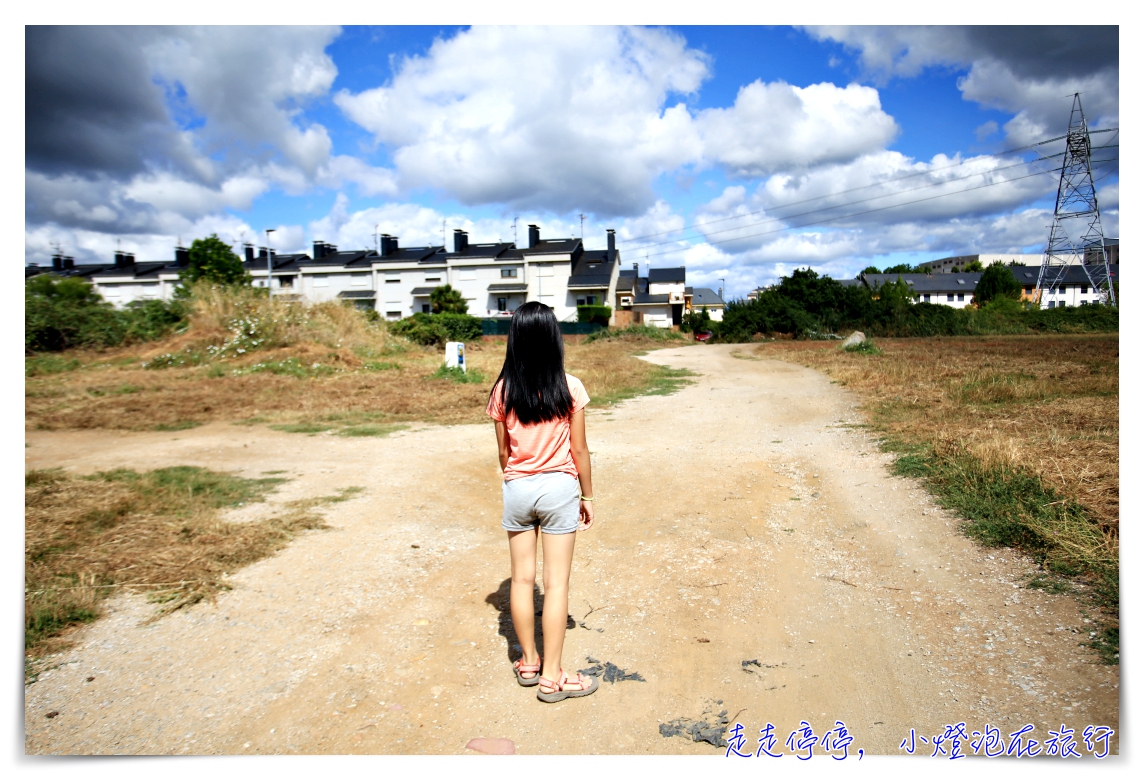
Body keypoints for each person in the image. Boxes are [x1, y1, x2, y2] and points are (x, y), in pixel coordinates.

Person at [485, 302, 599, 703]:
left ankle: (529, 662)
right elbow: (580, 450)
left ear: (513, 339)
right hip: (559, 490)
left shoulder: (503, 390)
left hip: (518, 488)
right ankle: (553, 677)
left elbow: (503, 453)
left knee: (520, 580)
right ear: (554, 336)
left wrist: (518, 475)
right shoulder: (570, 386)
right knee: (556, 584)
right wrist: (586, 494)